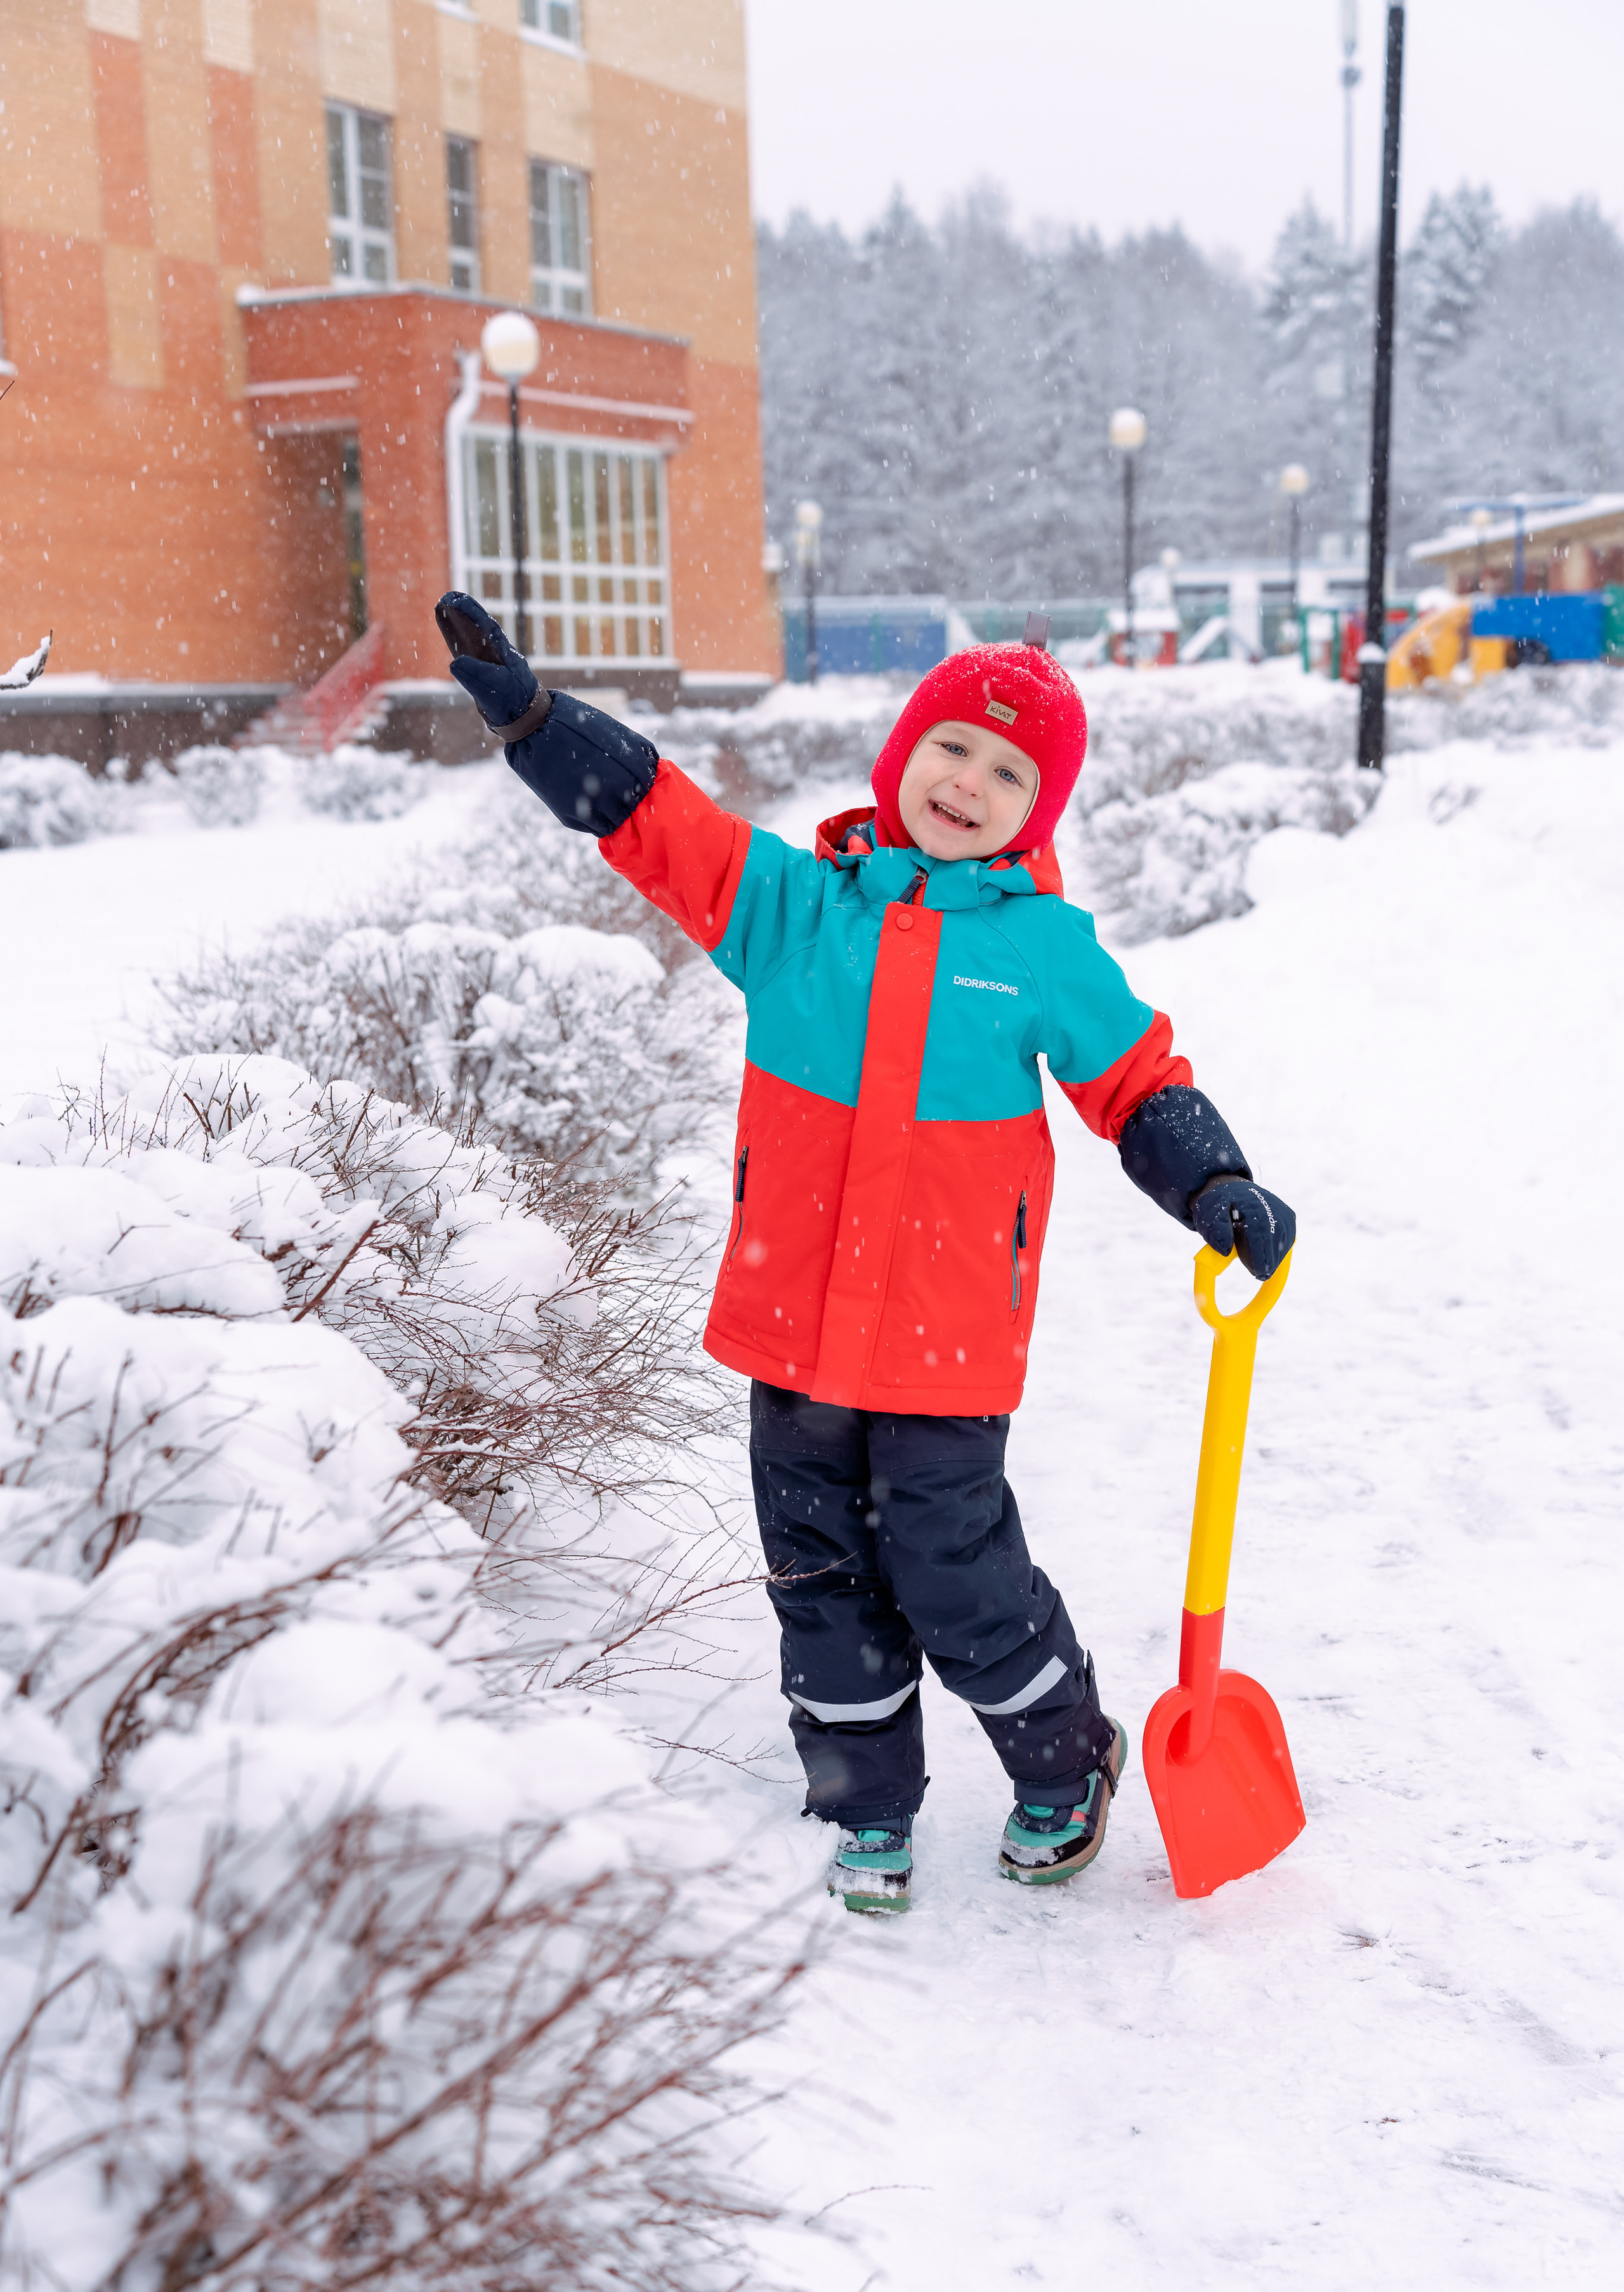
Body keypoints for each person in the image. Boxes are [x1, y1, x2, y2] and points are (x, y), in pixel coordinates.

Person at [435, 594, 1295, 1916]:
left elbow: (1134, 1079)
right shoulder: (792, 909)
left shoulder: (1040, 950)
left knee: (958, 1578)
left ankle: (1066, 1762)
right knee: (821, 1584)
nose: (971, 783)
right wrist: (543, 725)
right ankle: (864, 1806)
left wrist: (1212, 1177)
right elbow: (657, 820)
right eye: (953, 748)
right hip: (792, 1330)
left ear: (1038, 813)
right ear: (901, 757)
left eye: (1010, 773)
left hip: (945, 1341)